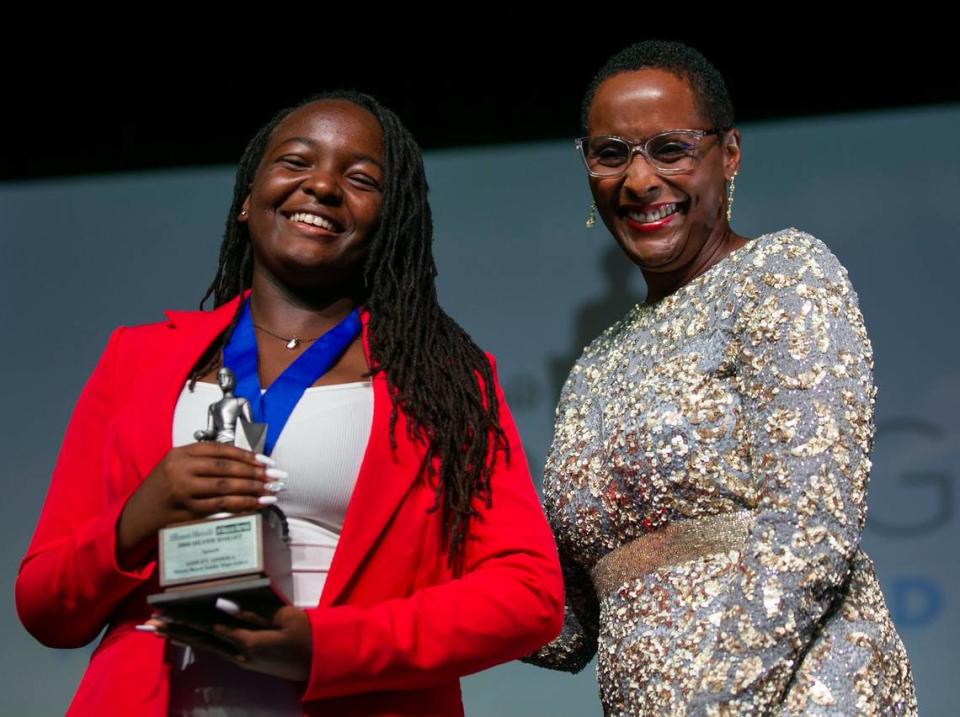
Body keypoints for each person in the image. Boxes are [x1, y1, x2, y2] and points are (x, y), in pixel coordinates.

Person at [16, 90, 563, 717]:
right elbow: (43, 606)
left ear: (392, 221)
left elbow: (527, 595)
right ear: (248, 199)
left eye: (360, 178)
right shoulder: (136, 359)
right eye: (296, 163)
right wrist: (137, 519)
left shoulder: (445, 380)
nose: (322, 186)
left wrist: (326, 647)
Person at [524, 41, 917, 715]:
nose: (639, 179)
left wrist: (711, 706)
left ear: (728, 154)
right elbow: (569, 626)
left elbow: (811, 533)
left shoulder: (781, 275)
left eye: (670, 148)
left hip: (798, 697)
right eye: (611, 152)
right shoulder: (595, 364)